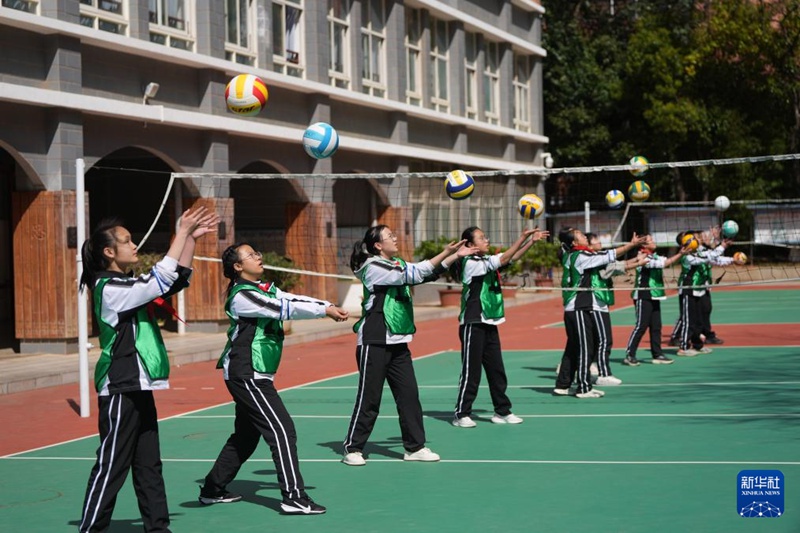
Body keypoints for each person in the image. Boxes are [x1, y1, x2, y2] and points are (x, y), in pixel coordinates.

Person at [79, 207, 219, 533]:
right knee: (112, 465)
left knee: (149, 466)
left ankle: (158, 528)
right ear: (109, 252)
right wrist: (180, 232)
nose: (134, 246)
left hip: (138, 386)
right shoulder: (109, 288)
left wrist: (191, 240)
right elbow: (158, 279)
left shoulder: (125, 284)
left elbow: (175, 279)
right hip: (119, 387)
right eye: (127, 241)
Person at [199, 243, 349, 514]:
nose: (258, 256)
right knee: (282, 430)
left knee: (246, 436)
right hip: (247, 374)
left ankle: (212, 488)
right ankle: (293, 497)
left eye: (258, 252)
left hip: (255, 372)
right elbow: (279, 308)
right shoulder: (242, 295)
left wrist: (327, 306)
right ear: (237, 267)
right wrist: (323, 311)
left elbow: (290, 299)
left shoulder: (262, 288)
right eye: (251, 255)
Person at [342, 225, 474, 466]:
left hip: (398, 340)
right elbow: (413, 273)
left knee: (409, 396)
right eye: (389, 236)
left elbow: (425, 275)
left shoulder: (396, 264)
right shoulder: (373, 266)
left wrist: (455, 255)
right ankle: (353, 447)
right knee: (370, 398)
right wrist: (445, 253)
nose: (395, 238)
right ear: (378, 246)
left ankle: (414, 447)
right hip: (375, 339)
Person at [451, 226, 549, 428]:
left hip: (490, 321)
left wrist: (530, 242)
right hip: (473, 322)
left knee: (497, 370)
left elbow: (510, 258)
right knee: (472, 371)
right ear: (470, 245)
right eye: (481, 238)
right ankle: (461, 413)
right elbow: (504, 259)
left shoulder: (484, 261)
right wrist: (522, 236)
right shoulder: (470, 263)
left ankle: (502, 411)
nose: (486, 240)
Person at [554, 228, 646, 398]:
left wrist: (636, 261)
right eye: (580, 235)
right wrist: (631, 245)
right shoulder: (581, 256)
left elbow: (612, 265)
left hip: (577, 308)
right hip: (579, 307)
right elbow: (608, 256)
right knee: (585, 348)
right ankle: (584, 387)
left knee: (575, 348)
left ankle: (563, 384)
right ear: (574, 243)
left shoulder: (577, 255)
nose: (585, 236)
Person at [584, 232, 640, 386]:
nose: (599, 242)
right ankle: (603, 374)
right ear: (589, 245)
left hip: (601, 301)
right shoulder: (591, 259)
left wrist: (638, 261)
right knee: (603, 340)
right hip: (595, 301)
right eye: (596, 240)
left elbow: (617, 266)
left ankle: (592, 367)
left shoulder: (598, 257)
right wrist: (631, 245)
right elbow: (614, 264)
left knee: (600, 340)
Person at [623, 234, 689, 366]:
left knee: (656, 326)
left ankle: (657, 354)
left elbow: (669, 261)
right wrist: (680, 254)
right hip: (643, 295)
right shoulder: (643, 256)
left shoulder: (654, 255)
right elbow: (664, 264)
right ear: (644, 245)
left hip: (655, 295)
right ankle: (630, 354)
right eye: (651, 240)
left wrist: (681, 253)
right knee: (641, 326)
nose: (654, 242)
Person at [674, 230, 732, 356]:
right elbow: (705, 258)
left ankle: (698, 345)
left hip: (699, 289)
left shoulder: (700, 251)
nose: (697, 239)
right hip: (688, 289)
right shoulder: (686, 256)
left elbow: (714, 257)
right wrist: (721, 246)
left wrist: (733, 259)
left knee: (699, 320)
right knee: (688, 320)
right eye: (694, 238)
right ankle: (683, 347)